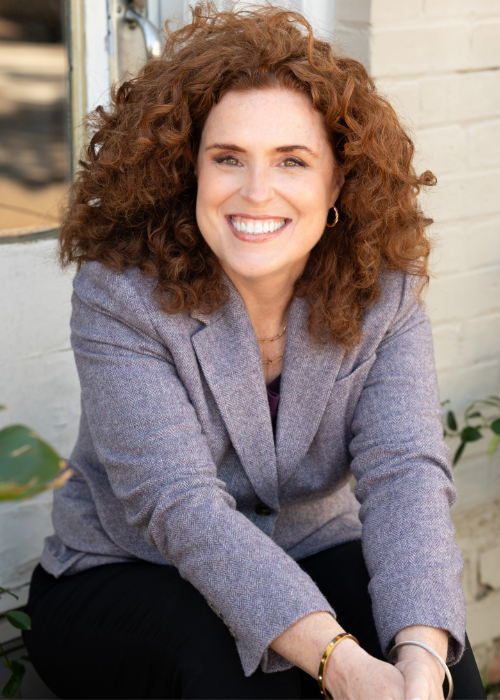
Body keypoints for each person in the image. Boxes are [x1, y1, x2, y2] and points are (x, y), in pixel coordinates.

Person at [23, 4, 485, 699]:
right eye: (228, 158)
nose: (256, 191)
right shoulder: (121, 294)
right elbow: (179, 507)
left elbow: (404, 471)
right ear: (190, 173)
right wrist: (345, 665)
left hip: (312, 543)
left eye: (292, 161)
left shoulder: (383, 290)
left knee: (445, 663)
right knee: (235, 670)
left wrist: (419, 659)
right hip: (126, 569)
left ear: (337, 184)